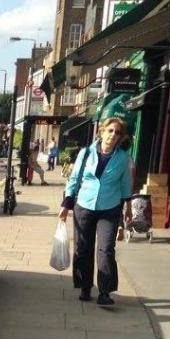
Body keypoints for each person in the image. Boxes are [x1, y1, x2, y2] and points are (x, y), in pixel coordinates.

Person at [58, 117, 134, 306]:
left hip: (110, 208)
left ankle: (105, 292)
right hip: (84, 205)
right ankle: (85, 286)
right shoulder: (85, 153)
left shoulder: (123, 158)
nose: (113, 135)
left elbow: (125, 185)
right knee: (83, 248)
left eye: (117, 132)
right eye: (110, 130)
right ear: (101, 131)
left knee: (106, 249)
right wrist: (65, 206)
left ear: (120, 137)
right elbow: (74, 179)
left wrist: (128, 207)